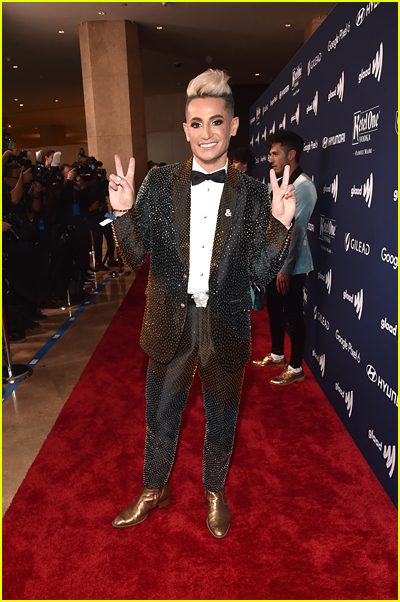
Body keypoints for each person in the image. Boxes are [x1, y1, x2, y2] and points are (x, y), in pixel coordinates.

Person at [108, 69, 296, 538]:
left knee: (222, 418)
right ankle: (154, 489)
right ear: (185, 127)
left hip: (226, 324)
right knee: (160, 415)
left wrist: (279, 227)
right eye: (195, 123)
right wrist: (123, 212)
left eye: (216, 122)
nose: (205, 133)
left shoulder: (255, 195)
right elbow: (134, 256)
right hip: (169, 321)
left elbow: (257, 274)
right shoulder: (158, 183)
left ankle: (214, 490)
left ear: (234, 127)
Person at [252, 130, 317, 385]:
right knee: (274, 310)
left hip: (293, 265)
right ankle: (278, 354)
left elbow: (298, 232)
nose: (270, 158)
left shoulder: (305, 187)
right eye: (269, 153)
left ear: (291, 154)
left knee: (292, 314)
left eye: (275, 153)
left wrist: (286, 269)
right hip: (272, 261)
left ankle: (296, 367)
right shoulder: (276, 184)